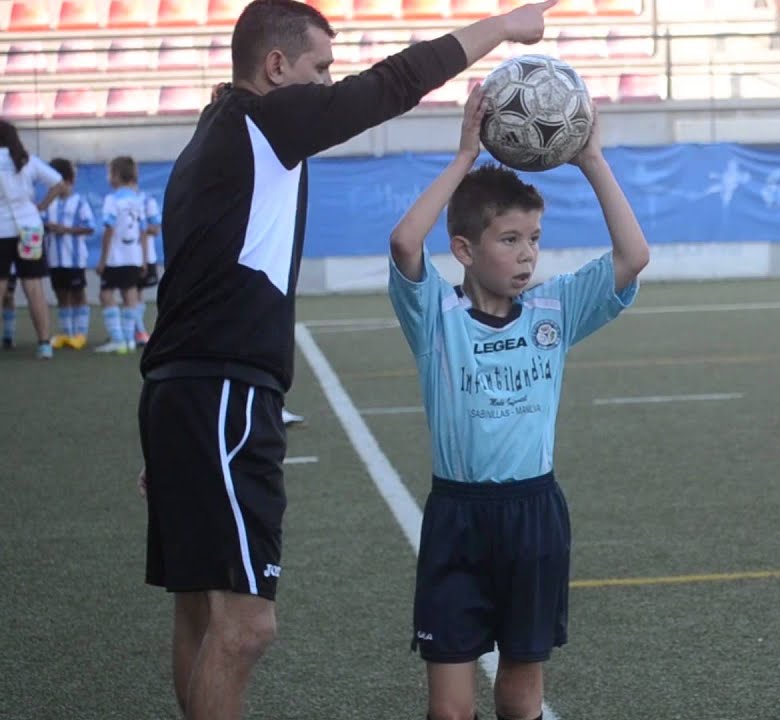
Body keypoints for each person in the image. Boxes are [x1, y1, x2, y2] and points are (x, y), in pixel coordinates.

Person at [134, 0, 558, 718]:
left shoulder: (213, 136)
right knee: (245, 625)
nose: (330, 85)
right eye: (321, 68)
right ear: (276, 67)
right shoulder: (263, 121)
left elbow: (180, 284)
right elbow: (392, 84)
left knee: (200, 611)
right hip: (226, 394)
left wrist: (167, 427)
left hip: (183, 392)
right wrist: (503, 27)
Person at [389, 88, 649, 720]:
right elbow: (404, 243)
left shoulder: (554, 310)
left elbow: (633, 256)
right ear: (464, 250)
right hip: (457, 517)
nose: (528, 252)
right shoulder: (437, 316)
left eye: (534, 237)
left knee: (520, 692)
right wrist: (463, 157)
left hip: (534, 516)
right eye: (509, 239)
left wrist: (592, 160)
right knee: (450, 709)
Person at [0, 119, 64, 359]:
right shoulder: (26, 160)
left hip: (1, 230)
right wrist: (41, 206)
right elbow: (58, 183)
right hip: (30, 228)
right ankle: (44, 343)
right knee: (34, 286)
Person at [96, 156, 156, 354]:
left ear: (116, 175)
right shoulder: (138, 201)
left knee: (106, 294)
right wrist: (144, 259)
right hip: (134, 257)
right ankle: (130, 339)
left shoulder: (112, 200)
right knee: (130, 293)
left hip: (116, 257)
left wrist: (103, 260)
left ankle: (118, 339)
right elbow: (144, 231)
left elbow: (109, 230)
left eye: (109, 173)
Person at [39, 158, 96, 351]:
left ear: (69, 181)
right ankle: (67, 333)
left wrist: (66, 230)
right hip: (55, 259)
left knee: (78, 293)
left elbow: (89, 227)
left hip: (74, 259)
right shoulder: (49, 204)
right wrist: (47, 226)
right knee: (61, 294)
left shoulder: (79, 202)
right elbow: (39, 224)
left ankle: (81, 334)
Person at [132, 188, 162, 346]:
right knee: (131, 293)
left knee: (136, 292)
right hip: (127, 257)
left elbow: (155, 229)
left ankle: (139, 331)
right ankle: (136, 331)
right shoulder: (116, 199)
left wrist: (136, 226)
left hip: (145, 256)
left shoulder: (147, 201)